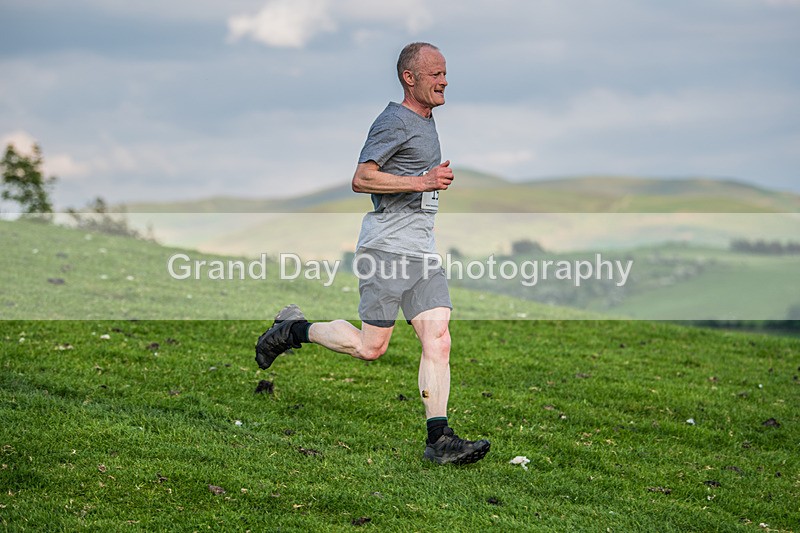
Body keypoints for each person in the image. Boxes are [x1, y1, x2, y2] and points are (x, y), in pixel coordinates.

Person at [255, 42, 490, 465]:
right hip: (386, 249)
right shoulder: (393, 121)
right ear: (410, 78)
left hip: (420, 251)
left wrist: (425, 185)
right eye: (435, 74)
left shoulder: (425, 119)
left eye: (445, 73)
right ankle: (291, 329)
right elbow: (362, 178)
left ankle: (439, 438)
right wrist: (423, 182)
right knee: (371, 347)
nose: (444, 81)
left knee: (439, 338)